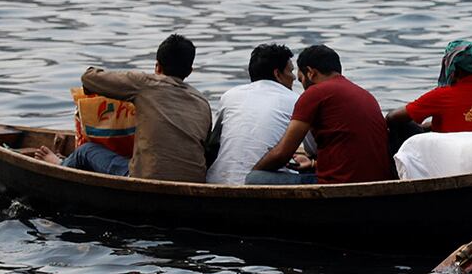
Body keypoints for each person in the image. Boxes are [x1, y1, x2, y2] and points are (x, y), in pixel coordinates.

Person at [57, 34, 212, 181]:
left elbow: (89, 78)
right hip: (194, 181)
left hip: (146, 178)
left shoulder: (144, 84)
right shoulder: (202, 103)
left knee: (85, 151)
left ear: (157, 67)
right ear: (189, 72)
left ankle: (58, 166)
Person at [249, 44, 393, 185]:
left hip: (337, 186)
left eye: (301, 79)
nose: (302, 86)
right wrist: (313, 164)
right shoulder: (365, 95)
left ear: (311, 73)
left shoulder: (315, 93)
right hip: (377, 182)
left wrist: (254, 172)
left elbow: (282, 154)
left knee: (254, 178)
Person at [207, 43, 305, 185]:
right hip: (262, 184)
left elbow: (214, 143)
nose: (294, 77)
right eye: (290, 71)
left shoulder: (230, 95)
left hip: (218, 181)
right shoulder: (295, 100)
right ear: (277, 74)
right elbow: (312, 147)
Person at [387, 40, 472, 135]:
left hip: (450, 162)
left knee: (401, 125)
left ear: (453, 69)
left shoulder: (442, 96)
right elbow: (470, 125)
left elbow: (393, 118)